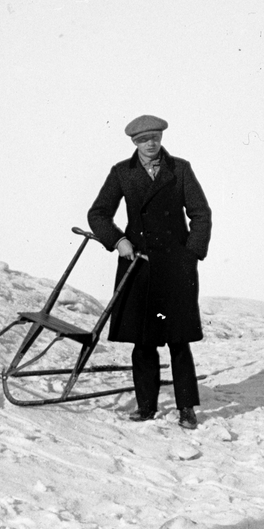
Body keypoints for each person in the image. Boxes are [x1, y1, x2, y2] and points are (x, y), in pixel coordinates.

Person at [87, 114, 212, 430]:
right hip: (138, 265)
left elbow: (200, 214)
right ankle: (146, 406)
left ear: (161, 138)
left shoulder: (179, 169)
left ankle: (186, 408)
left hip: (175, 267)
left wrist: (190, 254)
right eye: (144, 140)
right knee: (143, 342)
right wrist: (118, 241)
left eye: (155, 137)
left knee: (178, 341)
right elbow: (98, 214)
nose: (150, 144)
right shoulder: (122, 173)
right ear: (134, 142)